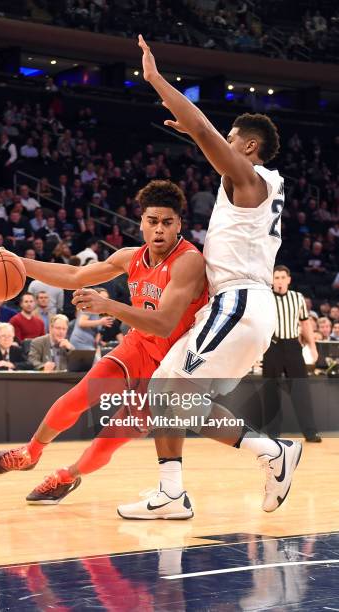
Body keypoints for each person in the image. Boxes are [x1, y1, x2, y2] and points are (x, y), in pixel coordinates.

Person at [110, 35, 301, 518]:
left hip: (238, 304)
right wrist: (197, 131)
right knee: (168, 395)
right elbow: (203, 133)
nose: (226, 142)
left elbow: (200, 126)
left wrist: (155, 79)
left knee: (170, 393)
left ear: (249, 146)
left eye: (232, 138)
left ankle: (272, 451)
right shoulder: (255, 186)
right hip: (238, 310)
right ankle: (172, 494)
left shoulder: (251, 178)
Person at [0, 180, 207, 516]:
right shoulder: (130, 256)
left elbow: (163, 323)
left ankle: (65, 477)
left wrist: (109, 305)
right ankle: (31, 453)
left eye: (167, 222)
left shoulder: (188, 261)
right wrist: (20, 264)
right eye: (152, 221)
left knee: (109, 437)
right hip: (139, 346)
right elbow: (75, 275)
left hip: (171, 365)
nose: (159, 230)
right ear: (141, 222)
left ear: (179, 224)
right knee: (78, 396)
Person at [262, 265, 321, 443]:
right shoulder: (266, 297)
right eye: (276, 277)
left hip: (292, 345)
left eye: (282, 277)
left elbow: (305, 324)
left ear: (289, 279)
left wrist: (313, 346)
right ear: (272, 280)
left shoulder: (298, 298)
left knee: (301, 389)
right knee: (271, 391)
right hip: (272, 346)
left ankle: (310, 432)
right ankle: (272, 433)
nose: (279, 281)